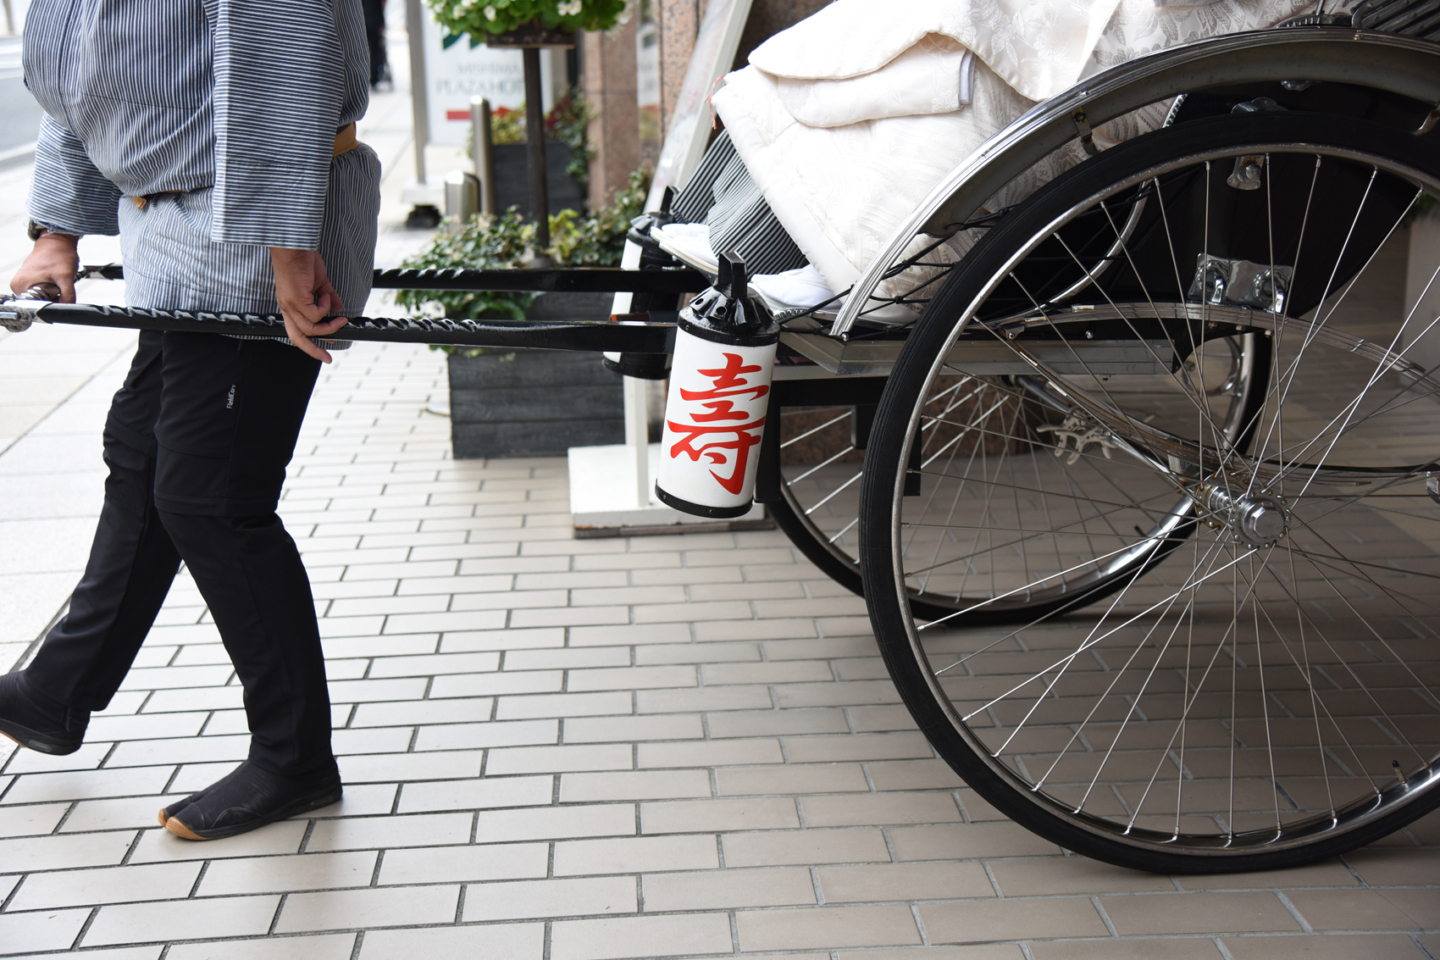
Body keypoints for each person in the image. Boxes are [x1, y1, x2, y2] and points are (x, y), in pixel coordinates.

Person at [0, 0, 380, 841]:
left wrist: (289, 247)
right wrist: (56, 231)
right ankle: (57, 690)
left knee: (213, 500)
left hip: (257, 240)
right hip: (171, 237)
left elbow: (283, 63)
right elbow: (86, 79)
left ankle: (295, 758)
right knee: (141, 465)